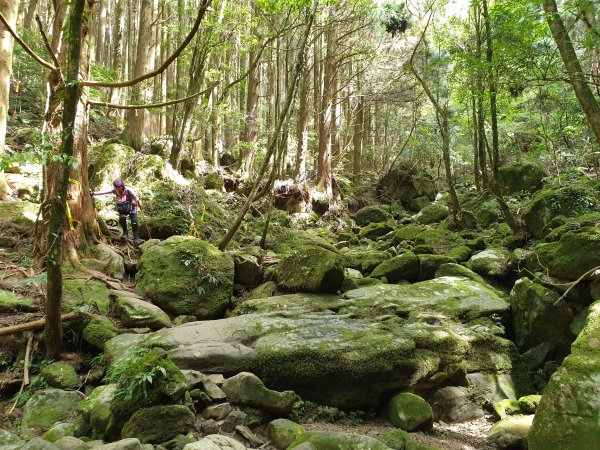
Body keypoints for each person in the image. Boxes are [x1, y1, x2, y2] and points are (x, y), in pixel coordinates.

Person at [91, 178, 144, 245]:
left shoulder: (128, 191)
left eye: (120, 187)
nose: (118, 189)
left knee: (134, 222)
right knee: (122, 219)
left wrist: (138, 204)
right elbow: (105, 192)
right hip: (122, 208)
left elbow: (136, 197)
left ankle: (136, 239)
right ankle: (125, 233)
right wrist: (94, 193)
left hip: (132, 208)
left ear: (122, 186)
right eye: (116, 187)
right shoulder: (115, 191)